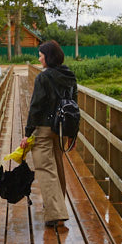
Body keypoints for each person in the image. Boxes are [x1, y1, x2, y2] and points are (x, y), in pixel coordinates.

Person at [20, 40, 77, 228]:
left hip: (43, 129)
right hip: (60, 129)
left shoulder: (43, 78)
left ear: (48, 56)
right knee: (58, 168)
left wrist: (27, 134)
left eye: (41, 54)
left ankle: (55, 213)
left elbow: (35, 107)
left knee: (46, 169)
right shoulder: (69, 75)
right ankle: (56, 206)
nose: (39, 58)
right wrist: (72, 133)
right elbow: (74, 106)